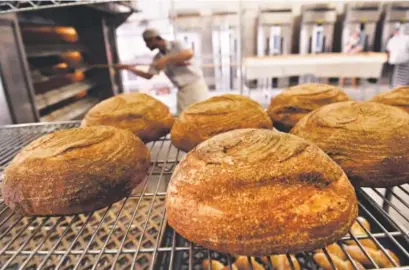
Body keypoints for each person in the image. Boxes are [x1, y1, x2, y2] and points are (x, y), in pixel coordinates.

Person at [117, 28, 209, 114]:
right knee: (183, 117)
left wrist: (166, 60)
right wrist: (129, 68)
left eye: (147, 42)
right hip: (182, 90)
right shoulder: (157, 58)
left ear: (153, 39)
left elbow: (189, 54)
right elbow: (148, 75)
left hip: (196, 86)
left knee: (200, 114)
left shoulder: (176, 44)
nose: (146, 46)